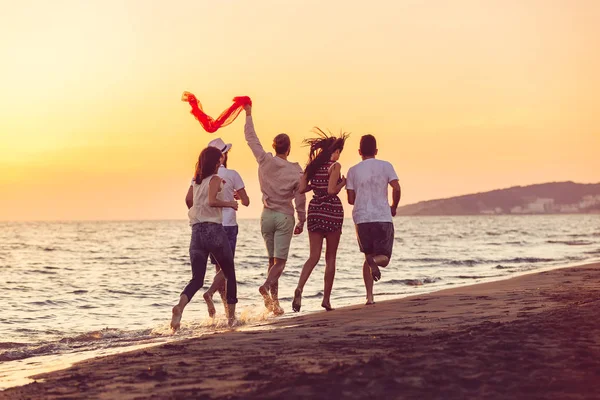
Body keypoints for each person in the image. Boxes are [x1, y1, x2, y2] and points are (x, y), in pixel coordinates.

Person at [243, 104, 306, 315]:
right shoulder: (295, 170)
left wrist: (249, 113)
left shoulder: (264, 160)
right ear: (288, 149)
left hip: (267, 215)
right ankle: (265, 287)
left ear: (274, 146)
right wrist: (302, 219)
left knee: (272, 262)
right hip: (284, 217)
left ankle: (275, 304)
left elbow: (251, 138)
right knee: (280, 263)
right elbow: (300, 196)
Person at [171, 146, 239, 330]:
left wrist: (198, 213)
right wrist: (230, 204)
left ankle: (180, 307)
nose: (221, 162)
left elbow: (188, 201)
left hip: (196, 231)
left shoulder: (196, 181)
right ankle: (231, 319)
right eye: (219, 160)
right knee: (229, 272)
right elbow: (211, 201)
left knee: (197, 279)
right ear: (215, 162)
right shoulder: (215, 179)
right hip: (213, 230)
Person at [292, 129, 348, 312]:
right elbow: (332, 190)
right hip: (331, 211)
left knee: (313, 256)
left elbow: (301, 189)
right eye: (339, 150)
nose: (339, 154)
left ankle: (300, 287)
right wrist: (343, 183)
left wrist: (315, 185)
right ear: (335, 151)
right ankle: (326, 299)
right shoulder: (335, 166)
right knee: (330, 257)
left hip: (315, 209)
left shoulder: (312, 167)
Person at [346, 135, 401, 305]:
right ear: (376, 151)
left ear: (359, 151)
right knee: (383, 258)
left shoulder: (352, 170)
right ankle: (373, 261)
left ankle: (369, 297)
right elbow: (396, 187)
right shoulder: (386, 166)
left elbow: (350, 200)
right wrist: (394, 206)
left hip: (361, 219)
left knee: (367, 256)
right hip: (382, 217)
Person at [200, 138, 250, 318]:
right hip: (228, 225)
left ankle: (227, 311)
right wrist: (236, 197)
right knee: (228, 270)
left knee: (219, 270)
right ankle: (212, 294)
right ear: (223, 156)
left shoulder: (201, 177)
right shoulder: (232, 174)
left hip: (210, 225)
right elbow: (246, 201)